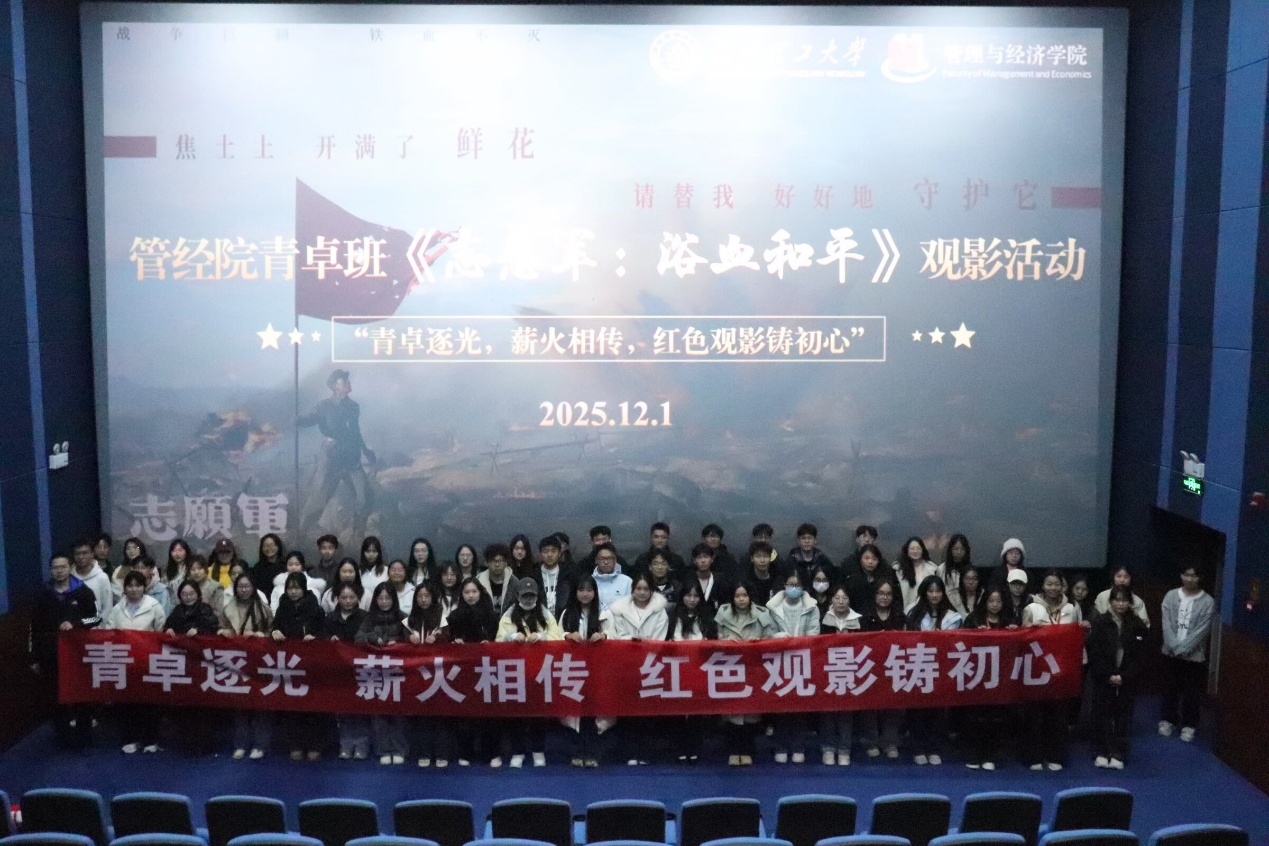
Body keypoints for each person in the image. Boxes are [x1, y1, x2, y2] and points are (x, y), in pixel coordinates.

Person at [29, 552, 99, 750]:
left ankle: (84, 737)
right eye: (55, 567)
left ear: (70, 568)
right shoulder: (44, 594)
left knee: (81, 696)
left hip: (77, 653)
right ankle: (63, 737)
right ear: (51, 570)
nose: (59, 571)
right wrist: (35, 657)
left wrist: (76, 623)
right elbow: (35, 627)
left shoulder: (83, 592)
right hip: (50, 653)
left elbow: (95, 618)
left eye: (63, 567)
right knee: (55, 698)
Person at [297, 368, 376, 536]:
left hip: (351, 458)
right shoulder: (323, 406)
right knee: (320, 497)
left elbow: (355, 431)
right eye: (344, 381)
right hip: (331, 457)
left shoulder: (353, 407)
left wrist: (365, 450)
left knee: (365, 497)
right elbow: (311, 419)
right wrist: (299, 421)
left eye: (348, 381)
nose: (348, 383)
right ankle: (302, 534)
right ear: (334, 386)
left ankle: (357, 535)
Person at [715, 584, 783, 765]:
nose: (741, 599)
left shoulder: (762, 614)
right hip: (730, 668)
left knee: (750, 712)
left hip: (754, 668)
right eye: (737, 596)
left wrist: (759, 642)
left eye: (744, 595)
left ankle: (747, 750)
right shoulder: (722, 614)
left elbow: (771, 638)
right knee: (732, 712)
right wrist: (724, 641)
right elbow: (715, 639)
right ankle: (732, 751)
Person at [496, 580, 562, 768]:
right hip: (515, 673)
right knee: (517, 714)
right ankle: (518, 752)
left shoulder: (546, 615)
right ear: (518, 596)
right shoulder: (508, 617)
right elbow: (497, 642)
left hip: (539, 672)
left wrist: (542, 637)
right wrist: (510, 637)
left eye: (531, 596)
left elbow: (558, 639)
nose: (528, 599)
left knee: (538, 714)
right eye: (525, 596)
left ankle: (538, 751)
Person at [1020, 569, 1079, 771]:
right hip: (1037, 669)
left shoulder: (1071, 609)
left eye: (1057, 584)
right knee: (1035, 714)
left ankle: (1056, 755)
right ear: (1043, 586)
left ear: (1063, 586)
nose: (1053, 588)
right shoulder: (1032, 608)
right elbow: (1022, 638)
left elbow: (1075, 638)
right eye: (1049, 584)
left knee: (1058, 715)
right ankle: (1034, 756)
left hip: (1061, 670)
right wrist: (1032, 629)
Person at [102, 570, 166, 753]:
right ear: (124, 588)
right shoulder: (117, 609)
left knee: (149, 703)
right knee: (127, 703)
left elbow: (160, 631)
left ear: (144, 587)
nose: (134, 589)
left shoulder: (154, 606)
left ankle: (151, 740)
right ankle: (131, 738)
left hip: (148, 662)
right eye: (130, 586)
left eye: (138, 585)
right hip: (124, 663)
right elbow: (110, 632)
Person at [1089, 585, 1148, 768]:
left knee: (1123, 717)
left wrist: (1125, 676)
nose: (1121, 604)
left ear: (1130, 602)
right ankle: (1102, 751)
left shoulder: (1137, 624)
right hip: (1104, 678)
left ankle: (1119, 753)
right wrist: (1108, 675)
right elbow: (1094, 653)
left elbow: (1141, 656)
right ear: (1111, 601)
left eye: (1124, 600)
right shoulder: (1100, 623)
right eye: (1117, 600)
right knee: (1102, 715)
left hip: (1127, 679)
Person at [905, 575, 962, 765]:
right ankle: (918, 747)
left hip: (943, 670)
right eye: (931, 591)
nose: (935, 595)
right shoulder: (913, 613)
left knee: (938, 711)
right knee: (918, 710)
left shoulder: (953, 617)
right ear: (924, 593)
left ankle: (934, 747)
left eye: (938, 591)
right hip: (919, 667)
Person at [218, 572, 275, 760]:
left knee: (260, 705)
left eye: (247, 586)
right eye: (241, 586)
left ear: (253, 587)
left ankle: (260, 744)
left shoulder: (263, 608)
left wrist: (261, 636)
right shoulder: (228, 607)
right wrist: (223, 632)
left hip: (259, 661)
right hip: (237, 661)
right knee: (240, 705)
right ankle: (240, 744)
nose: (244, 590)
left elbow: (272, 631)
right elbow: (220, 627)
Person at [766, 570, 819, 764]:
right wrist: (780, 638)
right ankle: (780, 746)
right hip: (779, 661)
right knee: (780, 706)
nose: (793, 588)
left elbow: (814, 632)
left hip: (803, 660)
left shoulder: (812, 607)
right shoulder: (772, 608)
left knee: (800, 707)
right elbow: (768, 632)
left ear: (803, 587)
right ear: (784, 586)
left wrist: (799, 642)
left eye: (797, 585)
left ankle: (798, 747)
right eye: (790, 584)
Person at [271, 572, 325, 761]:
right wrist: (275, 632)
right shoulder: (282, 608)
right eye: (290, 588)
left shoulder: (315, 608)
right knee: (292, 706)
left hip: (312, 664)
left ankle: (314, 744)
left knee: (313, 706)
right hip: (290, 665)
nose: (293, 592)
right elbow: (275, 628)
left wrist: (315, 637)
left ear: (304, 589)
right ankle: (295, 744)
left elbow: (324, 632)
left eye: (297, 588)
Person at [962, 586, 1017, 770]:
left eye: (998, 601)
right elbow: (960, 643)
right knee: (974, 716)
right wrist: (975, 634)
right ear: (984, 602)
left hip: (1000, 677)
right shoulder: (974, 619)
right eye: (991, 601)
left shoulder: (1009, 620)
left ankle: (990, 755)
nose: (995, 605)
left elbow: (1019, 647)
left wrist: (1015, 632)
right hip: (977, 676)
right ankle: (972, 754)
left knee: (995, 717)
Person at [444, 578, 498, 766]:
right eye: (466, 592)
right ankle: (465, 752)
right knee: (465, 712)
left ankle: (491, 753)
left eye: (474, 592)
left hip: (487, 669)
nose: (470, 596)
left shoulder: (492, 615)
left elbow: (500, 640)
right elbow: (447, 641)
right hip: (464, 671)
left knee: (488, 712)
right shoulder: (454, 616)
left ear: (480, 592)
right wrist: (455, 643)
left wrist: (490, 644)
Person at [559, 576, 612, 767]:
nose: (585, 594)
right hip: (573, 670)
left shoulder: (604, 613)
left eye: (589, 590)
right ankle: (577, 753)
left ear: (595, 593)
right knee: (575, 713)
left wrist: (604, 635)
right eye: (581, 590)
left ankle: (593, 754)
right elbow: (556, 636)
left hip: (597, 670)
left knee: (594, 713)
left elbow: (615, 635)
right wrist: (567, 635)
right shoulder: (567, 613)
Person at [1159, 563, 1214, 742]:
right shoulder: (1171, 596)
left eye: (1194, 575)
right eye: (1186, 575)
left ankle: (1189, 724)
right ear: (1181, 575)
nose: (1190, 579)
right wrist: (1174, 647)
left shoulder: (1207, 601)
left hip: (1194, 657)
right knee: (1170, 688)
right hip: (1170, 653)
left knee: (1192, 692)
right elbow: (1166, 624)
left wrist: (1184, 649)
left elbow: (1202, 630)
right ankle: (1168, 720)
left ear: (1200, 578)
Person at [164, 579, 220, 755]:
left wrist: (199, 631)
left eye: (191, 594)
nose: (188, 597)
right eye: (184, 594)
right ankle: (187, 742)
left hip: (202, 664)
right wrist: (168, 630)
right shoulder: (177, 611)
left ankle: (205, 744)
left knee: (203, 706)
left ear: (198, 594)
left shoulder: (205, 610)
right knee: (184, 705)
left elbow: (213, 627)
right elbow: (167, 627)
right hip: (182, 664)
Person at [358, 583, 410, 765]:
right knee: (378, 713)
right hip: (376, 673)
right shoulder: (369, 618)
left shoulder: (402, 617)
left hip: (398, 672)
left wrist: (398, 643)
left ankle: (399, 749)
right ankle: (383, 750)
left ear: (394, 599)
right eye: (380, 598)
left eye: (388, 598)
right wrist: (373, 638)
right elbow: (358, 638)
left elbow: (411, 641)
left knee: (398, 714)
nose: (384, 601)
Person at [667, 582, 716, 763]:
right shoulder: (672, 616)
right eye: (688, 595)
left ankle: (695, 748)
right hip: (676, 669)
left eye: (696, 596)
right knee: (678, 712)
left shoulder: (706, 617)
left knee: (696, 711)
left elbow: (713, 642)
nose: (692, 599)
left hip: (699, 668)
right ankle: (680, 748)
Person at [405, 582, 452, 768]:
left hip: (439, 673)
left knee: (441, 715)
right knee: (421, 715)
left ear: (433, 597)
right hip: (417, 674)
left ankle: (442, 753)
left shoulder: (442, 617)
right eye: (420, 596)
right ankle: (423, 752)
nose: (423, 600)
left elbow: (448, 636)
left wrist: (438, 638)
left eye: (427, 596)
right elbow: (401, 640)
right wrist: (408, 638)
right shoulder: (410, 619)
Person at [325, 582, 369, 761]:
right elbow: (321, 640)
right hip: (338, 669)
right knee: (343, 709)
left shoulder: (365, 617)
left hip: (360, 668)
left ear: (358, 598)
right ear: (337, 598)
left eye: (352, 597)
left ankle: (362, 744)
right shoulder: (329, 618)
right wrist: (329, 639)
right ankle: (345, 744)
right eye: (344, 597)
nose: (348, 601)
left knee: (360, 709)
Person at [860, 579, 904, 758]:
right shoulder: (864, 616)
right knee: (870, 706)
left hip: (894, 666)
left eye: (888, 594)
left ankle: (890, 742)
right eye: (881, 593)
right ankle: (871, 741)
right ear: (875, 595)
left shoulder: (900, 616)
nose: (884, 597)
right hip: (871, 666)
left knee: (894, 705)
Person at [819, 585, 863, 765]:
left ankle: (845, 749)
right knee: (828, 713)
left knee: (846, 712)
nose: (841, 601)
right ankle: (828, 748)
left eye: (844, 598)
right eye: (837, 598)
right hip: (826, 671)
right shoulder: (823, 619)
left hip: (850, 671)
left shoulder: (859, 620)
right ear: (831, 600)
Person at [845, 543, 896, 616]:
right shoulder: (852, 580)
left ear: (878, 561)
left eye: (874, 559)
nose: (870, 562)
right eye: (867, 558)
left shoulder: (885, 579)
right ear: (860, 559)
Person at [893, 536, 940, 612]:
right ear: (907, 550)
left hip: (925, 610)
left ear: (923, 550)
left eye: (918, 548)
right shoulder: (897, 569)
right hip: (903, 610)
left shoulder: (932, 569)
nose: (915, 551)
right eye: (912, 549)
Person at [72, 538, 114, 617]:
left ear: (92, 554)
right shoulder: (69, 577)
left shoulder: (102, 577)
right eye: (77, 553)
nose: (81, 557)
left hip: (97, 623)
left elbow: (107, 608)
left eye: (84, 553)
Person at [477, 543, 520, 615]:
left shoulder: (514, 583)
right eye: (493, 561)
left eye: (501, 561)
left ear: (506, 562)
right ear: (486, 563)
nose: (497, 565)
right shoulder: (478, 582)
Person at [689, 542, 733, 612]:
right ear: (694, 561)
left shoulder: (721, 580)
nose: (703, 561)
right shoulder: (689, 579)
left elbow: (726, 603)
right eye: (699, 557)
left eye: (706, 557)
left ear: (712, 559)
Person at [742, 540, 785, 606]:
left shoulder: (778, 580)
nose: (762, 560)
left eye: (766, 556)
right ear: (752, 559)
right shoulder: (745, 581)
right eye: (758, 556)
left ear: (770, 558)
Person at [592, 542, 632, 611]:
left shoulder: (627, 582)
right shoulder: (590, 581)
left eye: (609, 558)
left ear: (615, 560)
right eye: (602, 559)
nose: (606, 562)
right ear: (596, 560)